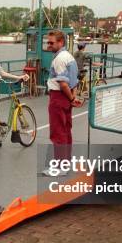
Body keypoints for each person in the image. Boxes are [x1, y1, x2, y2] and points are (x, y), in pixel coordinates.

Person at [46, 30, 81, 175]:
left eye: (51, 42)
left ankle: (59, 168)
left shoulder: (59, 59)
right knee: (66, 130)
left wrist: (72, 98)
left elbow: (63, 84)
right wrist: (73, 97)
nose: (48, 45)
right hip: (66, 98)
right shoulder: (69, 57)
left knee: (58, 132)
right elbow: (74, 81)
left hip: (58, 97)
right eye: (48, 42)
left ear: (61, 42)